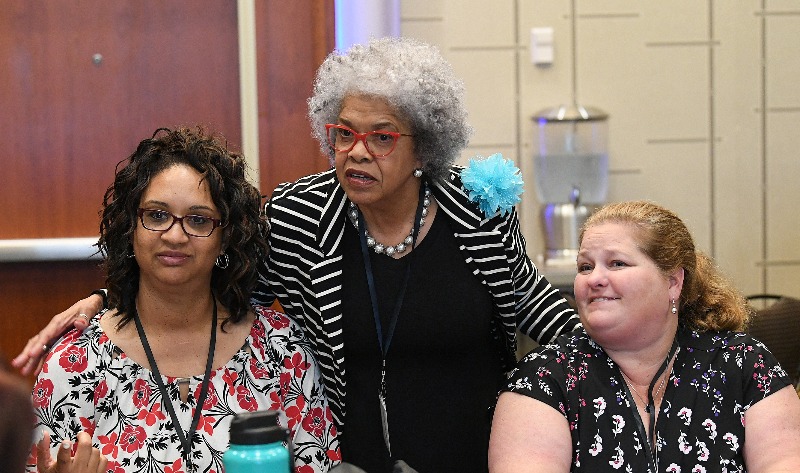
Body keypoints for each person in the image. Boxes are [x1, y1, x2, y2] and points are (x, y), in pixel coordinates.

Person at [15, 38, 580, 472]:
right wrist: (107, 298)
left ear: (423, 147)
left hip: (476, 454)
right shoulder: (297, 216)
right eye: (343, 133)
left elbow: (531, 302)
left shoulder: (475, 208)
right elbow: (204, 266)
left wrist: (613, 349)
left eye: (382, 137)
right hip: (352, 460)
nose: (357, 152)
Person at [24, 127, 339, 473]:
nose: (175, 235)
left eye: (198, 220)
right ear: (131, 228)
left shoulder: (282, 352)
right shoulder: (74, 363)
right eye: (157, 215)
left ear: (225, 238)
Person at [488, 201, 800, 472]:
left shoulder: (742, 364)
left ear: (673, 282)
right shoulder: (544, 376)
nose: (594, 279)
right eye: (585, 267)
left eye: (617, 263)